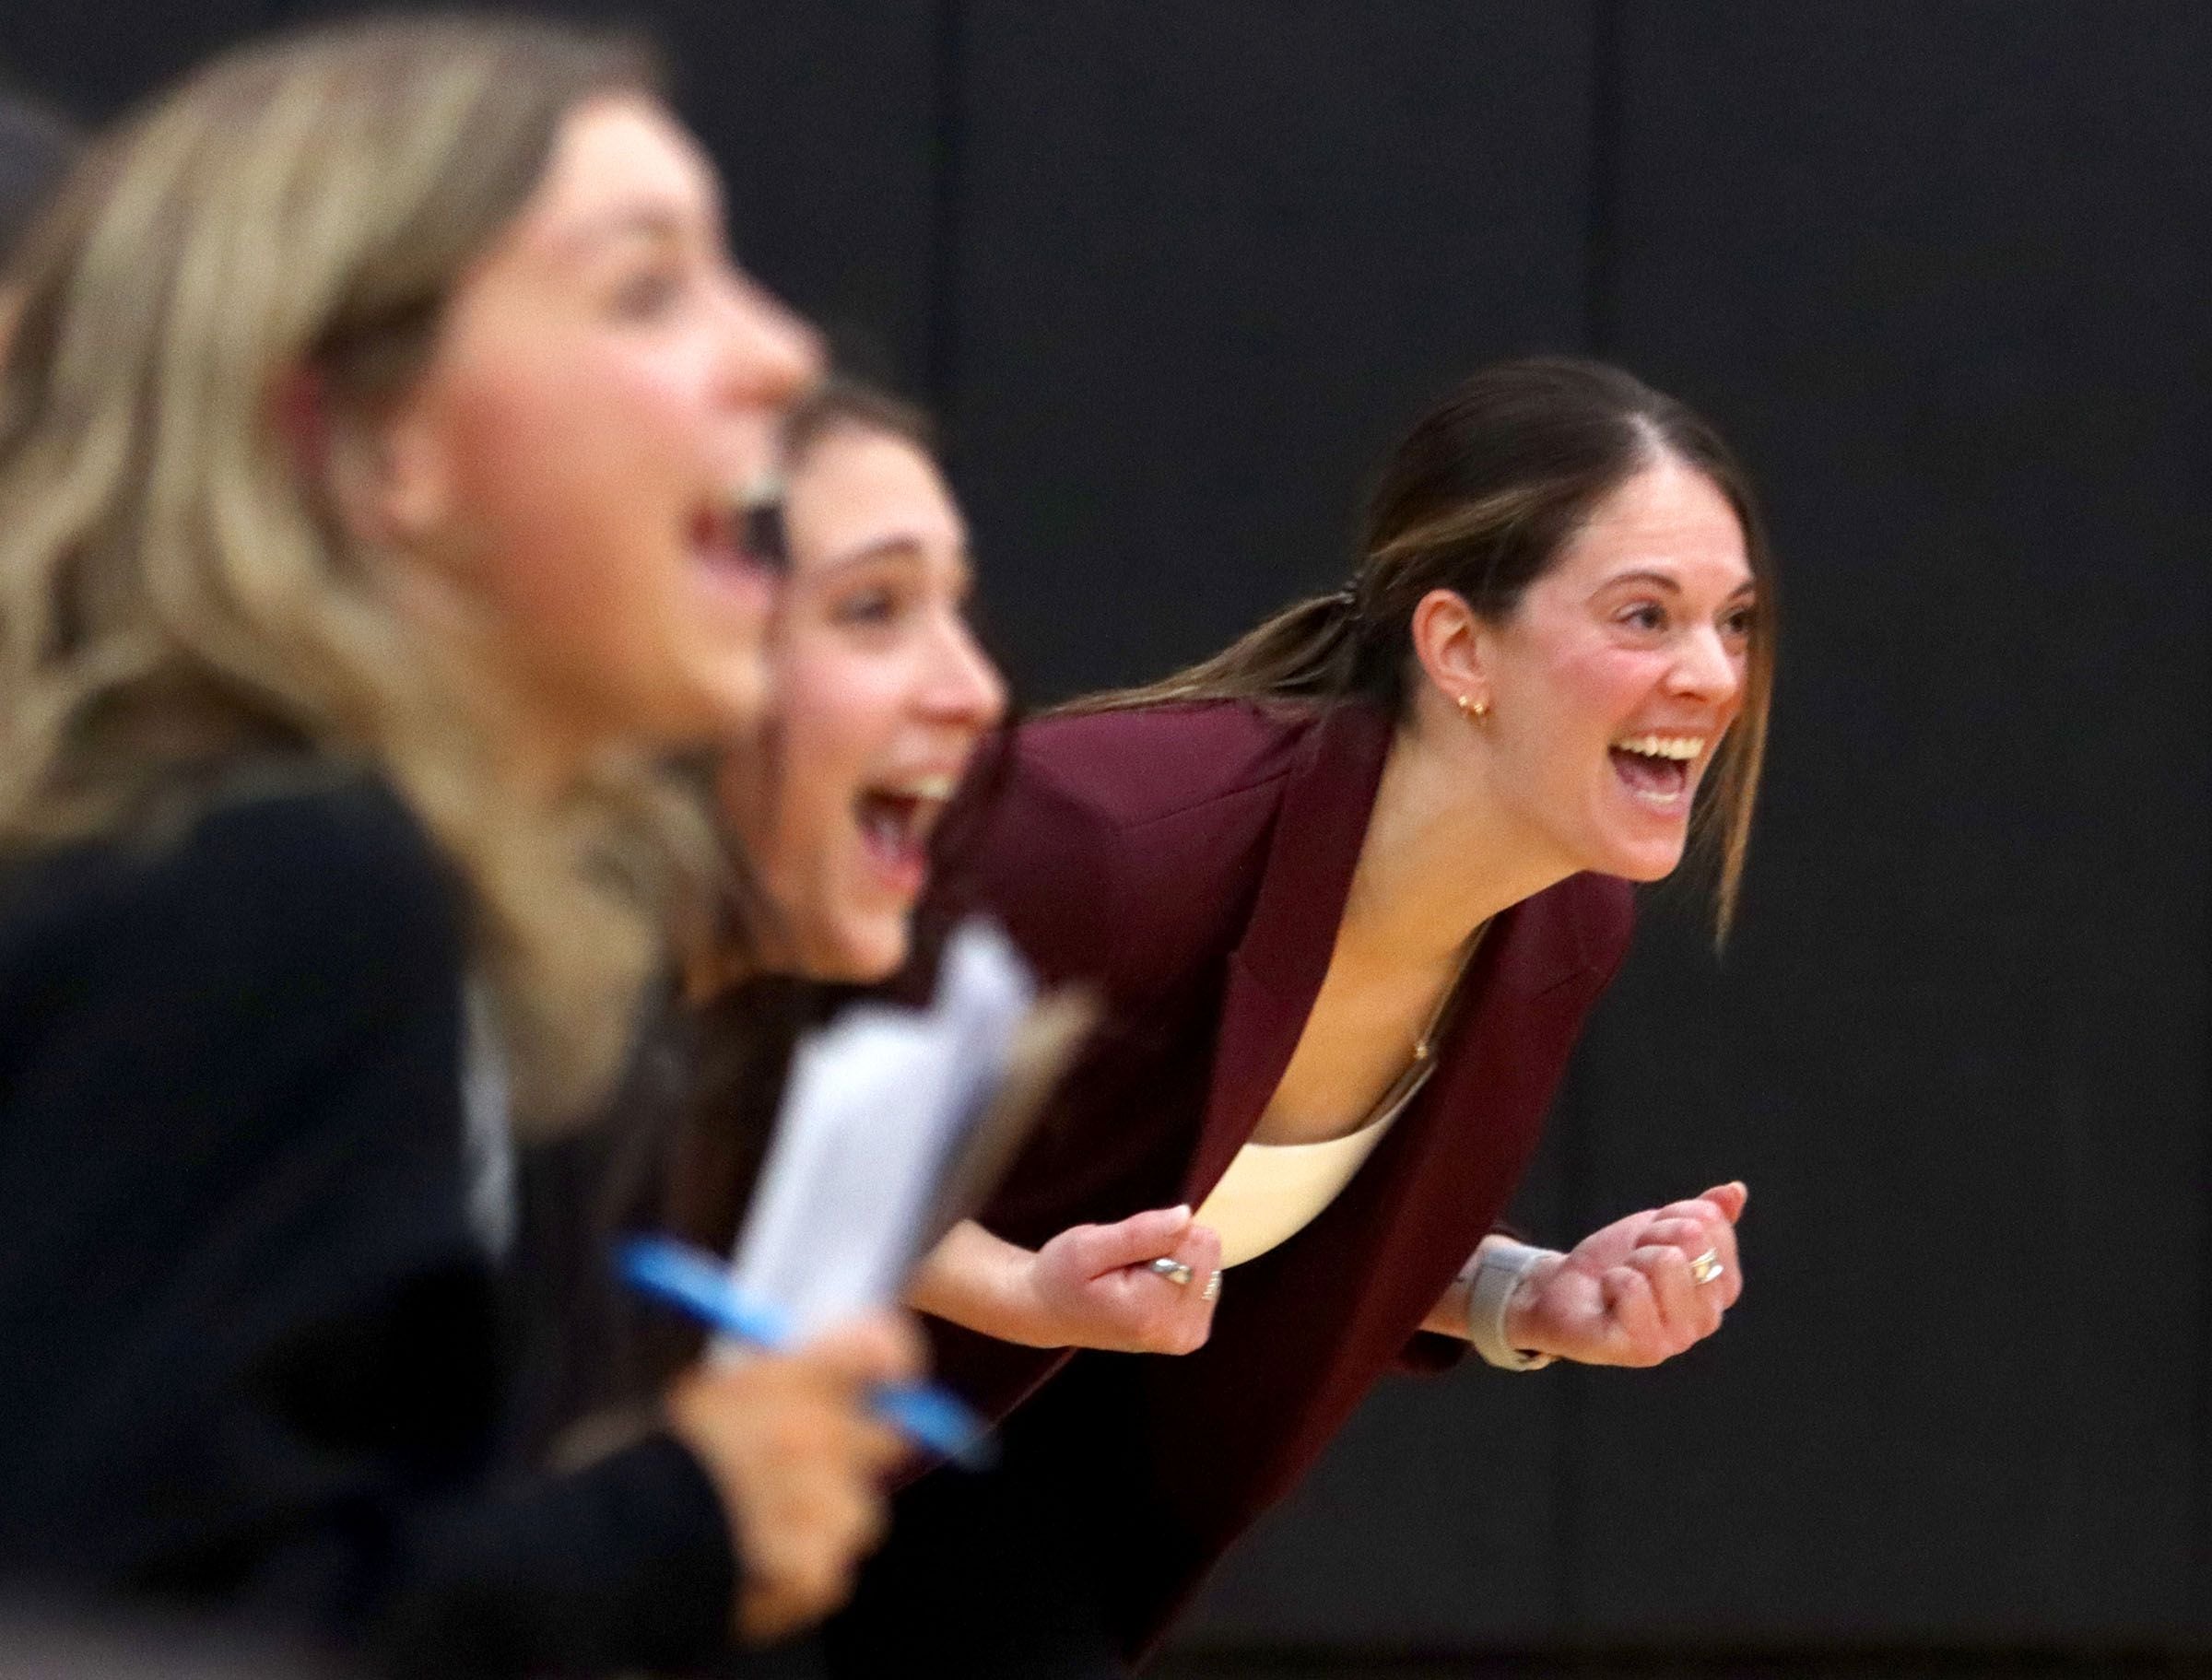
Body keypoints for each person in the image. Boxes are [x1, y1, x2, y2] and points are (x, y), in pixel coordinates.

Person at [0, 18, 912, 1674]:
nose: (781, 353)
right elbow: (115, 1636)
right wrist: (682, 1524)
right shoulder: (274, 889)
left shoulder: (323, 869)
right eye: (647, 287)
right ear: (369, 441)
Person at [841, 357, 1772, 1672]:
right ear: (1459, 648)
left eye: (1734, 621)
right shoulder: (1111, 844)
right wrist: (1017, 1287)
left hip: (1006, 1489)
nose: (1713, 676)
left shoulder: (1566, 918)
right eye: (1644, 617)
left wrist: (1531, 1296)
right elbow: (735, 1098)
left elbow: (1251, 1211)